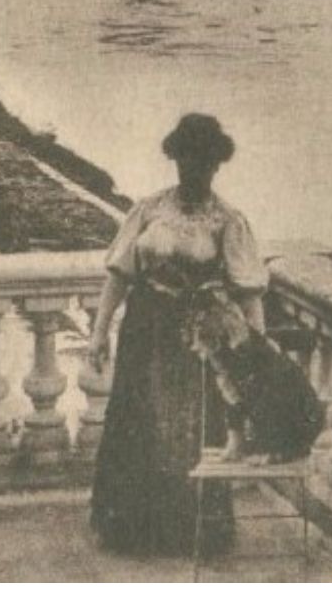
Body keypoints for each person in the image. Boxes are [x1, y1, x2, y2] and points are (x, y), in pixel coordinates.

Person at [87, 113, 267, 555]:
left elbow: (248, 292)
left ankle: (189, 530)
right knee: (140, 420)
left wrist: (258, 354)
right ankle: (132, 528)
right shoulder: (149, 210)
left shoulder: (228, 220)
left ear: (216, 165)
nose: (194, 169)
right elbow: (119, 276)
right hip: (144, 329)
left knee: (189, 427)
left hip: (197, 336)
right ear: (175, 159)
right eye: (187, 158)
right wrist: (98, 333)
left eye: (203, 161)